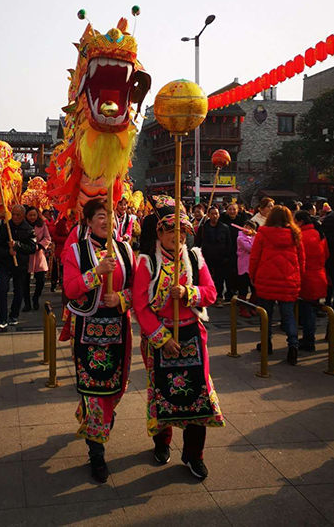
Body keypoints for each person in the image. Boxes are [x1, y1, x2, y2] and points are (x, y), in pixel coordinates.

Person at [133, 200, 225, 480]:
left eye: (182, 230)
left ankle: (194, 454)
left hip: (192, 335)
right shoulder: (147, 262)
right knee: (163, 394)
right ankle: (161, 444)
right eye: (170, 230)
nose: (177, 236)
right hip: (159, 336)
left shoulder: (195, 258)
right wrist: (161, 338)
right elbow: (140, 305)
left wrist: (187, 292)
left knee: (198, 394)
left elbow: (210, 293)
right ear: (159, 233)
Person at [62, 198, 135, 483]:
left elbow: (136, 289)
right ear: (89, 221)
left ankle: (97, 420)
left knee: (115, 389)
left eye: (112, 215)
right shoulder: (75, 251)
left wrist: (121, 298)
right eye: (101, 215)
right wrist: (96, 274)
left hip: (118, 327)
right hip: (87, 330)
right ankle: (97, 453)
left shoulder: (126, 250)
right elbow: (69, 289)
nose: (108, 220)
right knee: (93, 392)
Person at [249, 205, 305, 365]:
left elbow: (255, 257)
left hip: (266, 278)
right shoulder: (295, 234)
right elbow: (302, 259)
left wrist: (252, 275)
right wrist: (299, 277)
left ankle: (266, 344)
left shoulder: (263, 233)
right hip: (289, 280)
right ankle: (293, 345)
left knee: (266, 314)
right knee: (288, 315)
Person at [0, 205, 36, 328]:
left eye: (18, 214)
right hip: (5, 264)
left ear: (23, 215)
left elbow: (32, 248)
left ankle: (14, 315)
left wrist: (17, 245)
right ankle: (2, 318)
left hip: (20, 265)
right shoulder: (5, 227)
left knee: (19, 291)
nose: (16, 217)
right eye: (14, 214)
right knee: (2, 289)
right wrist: (8, 252)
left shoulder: (28, 229)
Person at [294, 210, 329, 351]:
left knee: (307, 310)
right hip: (320, 275)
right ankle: (309, 336)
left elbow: (297, 258)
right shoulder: (319, 234)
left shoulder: (300, 236)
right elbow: (326, 255)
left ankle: (309, 340)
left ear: (301, 222)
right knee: (312, 309)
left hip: (306, 278)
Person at [196, 206, 231, 307]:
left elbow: (229, 243)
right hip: (207, 257)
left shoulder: (224, 227)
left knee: (219, 278)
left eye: (216, 214)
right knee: (207, 278)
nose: (214, 216)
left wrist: (226, 256)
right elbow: (198, 242)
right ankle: (207, 297)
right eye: (212, 214)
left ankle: (219, 297)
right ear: (208, 215)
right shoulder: (203, 228)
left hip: (221, 258)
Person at [23, 207, 51, 311]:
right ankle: (27, 303)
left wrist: (39, 246)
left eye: (34, 215)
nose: (32, 217)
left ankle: (36, 297)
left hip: (38, 254)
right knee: (24, 281)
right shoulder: (23, 225)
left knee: (40, 280)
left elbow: (47, 238)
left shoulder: (42, 224)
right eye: (30, 215)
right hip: (26, 255)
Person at [236, 220, 258, 317]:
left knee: (255, 289)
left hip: (253, 266)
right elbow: (251, 248)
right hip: (243, 266)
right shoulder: (240, 238)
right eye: (246, 226)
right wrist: (255, 237)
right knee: (243, 289)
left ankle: (251, 306)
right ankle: (243, 308)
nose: (247, 229)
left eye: (250, 227)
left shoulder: (254, 237)